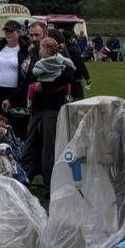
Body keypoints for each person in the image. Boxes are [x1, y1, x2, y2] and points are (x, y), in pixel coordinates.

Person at [23, 34, 80, 186]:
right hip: (37, 109)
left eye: (37, 35)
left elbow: (69, 75)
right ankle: (23, 181)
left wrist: (45, 86)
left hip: (51, 110)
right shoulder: (35, 56)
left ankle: (51, 185)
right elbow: (30, 79)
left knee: (50, 149)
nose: (33, 38)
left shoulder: (61, 61)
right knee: (29, 146)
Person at [0, 20, 30, 123]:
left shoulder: (25, 51)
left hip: (15, 93)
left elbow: (26, 74)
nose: (8, 34)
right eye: (6, 32)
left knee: (14, 122)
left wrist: (13, 98)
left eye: (11, 31)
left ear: (19, 32)